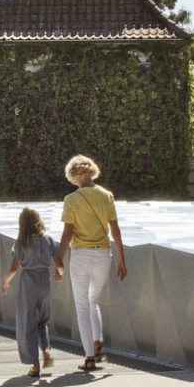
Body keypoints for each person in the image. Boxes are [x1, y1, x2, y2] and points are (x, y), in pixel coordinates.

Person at [56, 153, 127, 373]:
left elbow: (68, 232)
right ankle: (98, 341)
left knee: (82, 305)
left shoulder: (71, 200)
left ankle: (89, 357)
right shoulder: (106, 195)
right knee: (93, 300)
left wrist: (58, 259)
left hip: (80, 256)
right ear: (91, 171)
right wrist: (122, 260)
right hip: (103, 255)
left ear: (74, 176)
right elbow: (115, 230)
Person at [1, 206, 62, 377]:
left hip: (28, 283)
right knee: (42, 321)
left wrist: (6, 281)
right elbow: (59, 263)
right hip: (44, 282)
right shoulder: (48, 239)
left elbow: (14, 267)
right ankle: (46, 350)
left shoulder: (21, 243)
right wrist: (59, 273)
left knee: (27, 324)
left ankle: (35, 366)